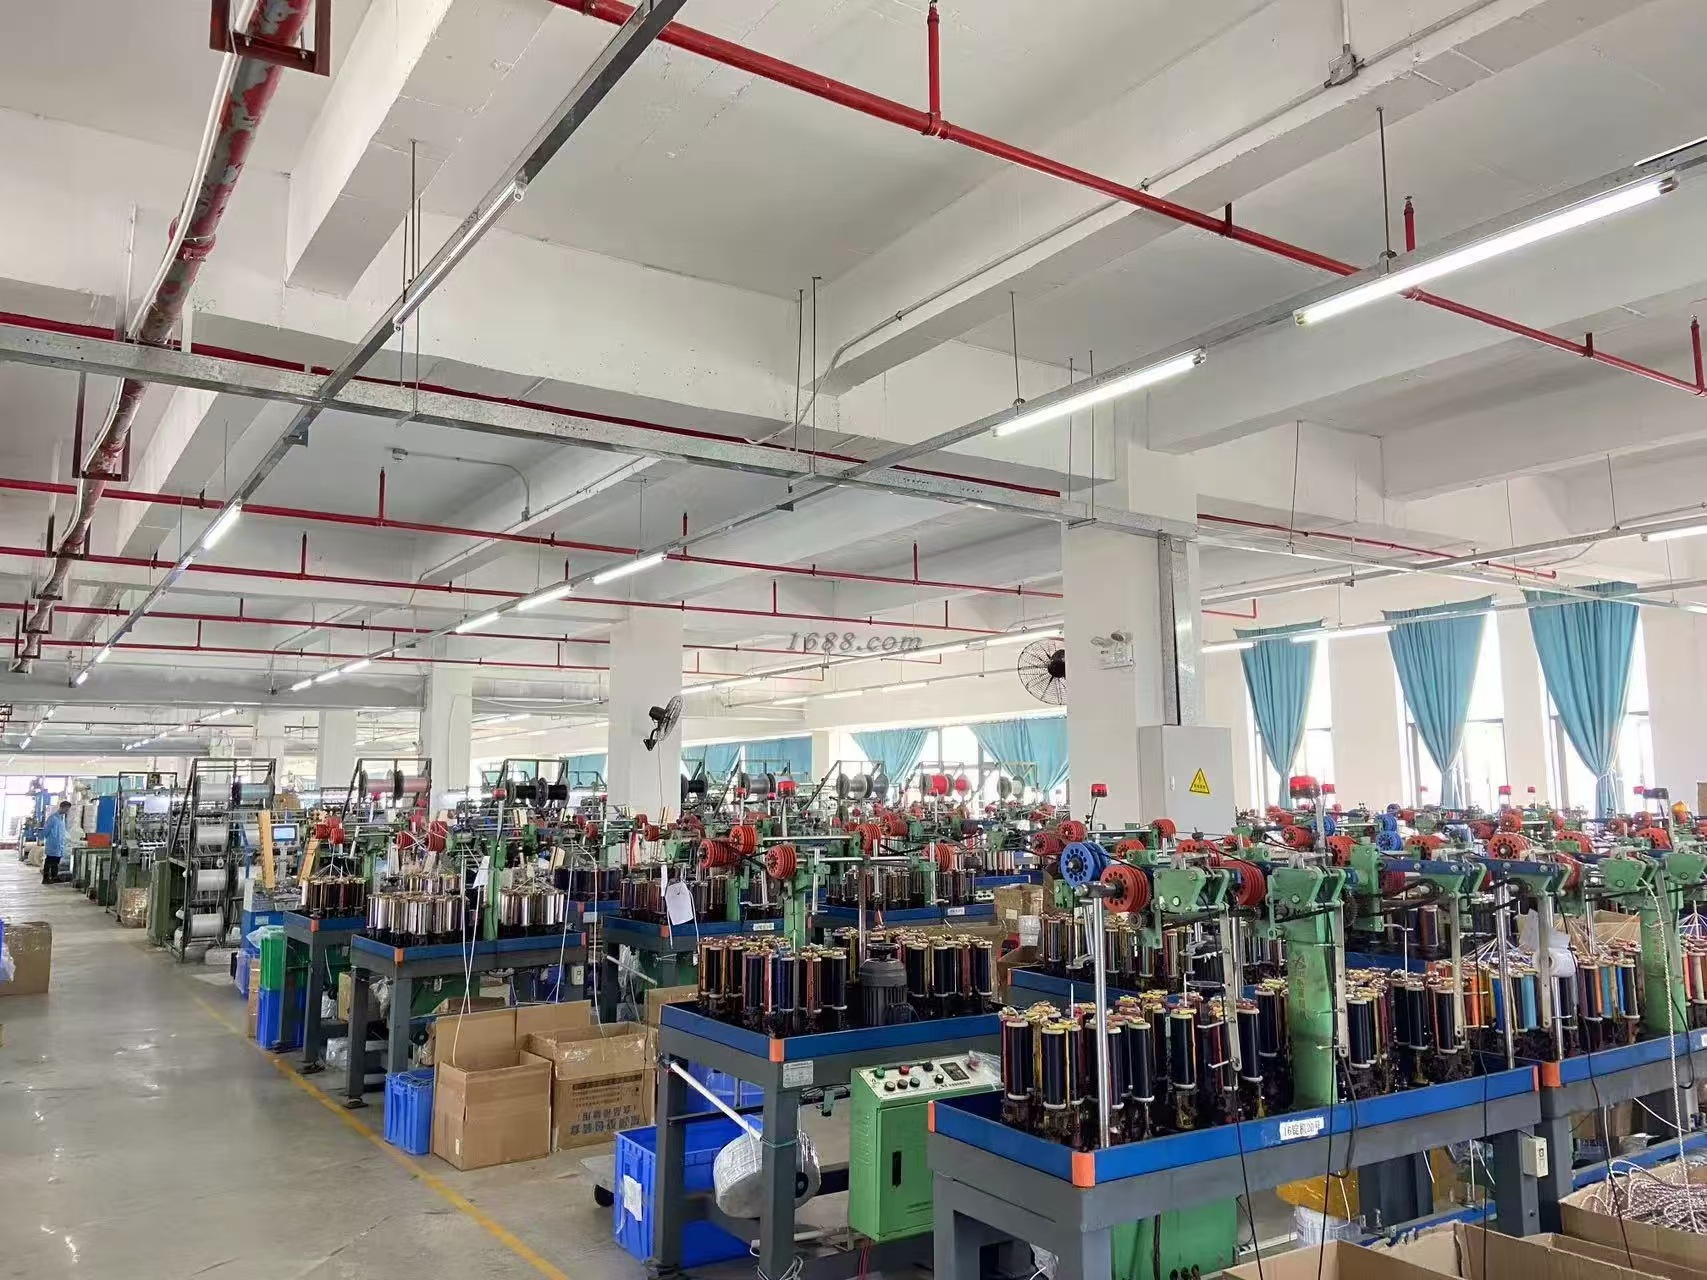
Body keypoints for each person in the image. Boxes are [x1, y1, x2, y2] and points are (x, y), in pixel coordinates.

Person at [41, 800, 72, 885]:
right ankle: (45, 878)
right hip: (52, 844)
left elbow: (62, 832)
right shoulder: (52, 818)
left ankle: (54, 877)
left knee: (56, 862)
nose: (66, 811)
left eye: (68, 810)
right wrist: (52, 839)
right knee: (49, 861)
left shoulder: (62, 819)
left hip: (59, 845)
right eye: (66, 809)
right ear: (61, 807)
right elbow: (46, 831)